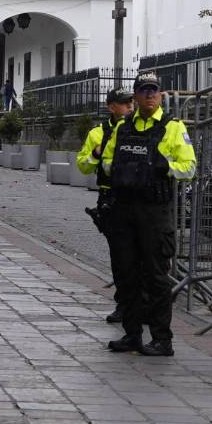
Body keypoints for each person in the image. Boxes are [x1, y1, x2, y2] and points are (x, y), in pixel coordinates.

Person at [101, 71, 196, 357]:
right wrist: (122, 170)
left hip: (154, 211)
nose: (150, 95)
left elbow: (190, 168)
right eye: (144, 90)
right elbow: (106, 161)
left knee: (156, 277)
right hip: (125, 209)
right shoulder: (123, 126)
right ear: (136, 96)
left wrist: (165, 167)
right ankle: (132, 334)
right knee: (126, 274)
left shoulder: (173, 127)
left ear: (161, 95)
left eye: (154, 90)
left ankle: (161, 339)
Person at [77, 86, 137, 324]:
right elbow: (83, 166)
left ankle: (142, 304)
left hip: (138, 198)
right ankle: (124, 304)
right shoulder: (97, 133)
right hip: (111, 198)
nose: (130, 106)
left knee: (143, 256)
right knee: (120, 256)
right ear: (111, 107)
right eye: (125, 103)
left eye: (131, 102)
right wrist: (96, 153)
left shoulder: (140, 128)